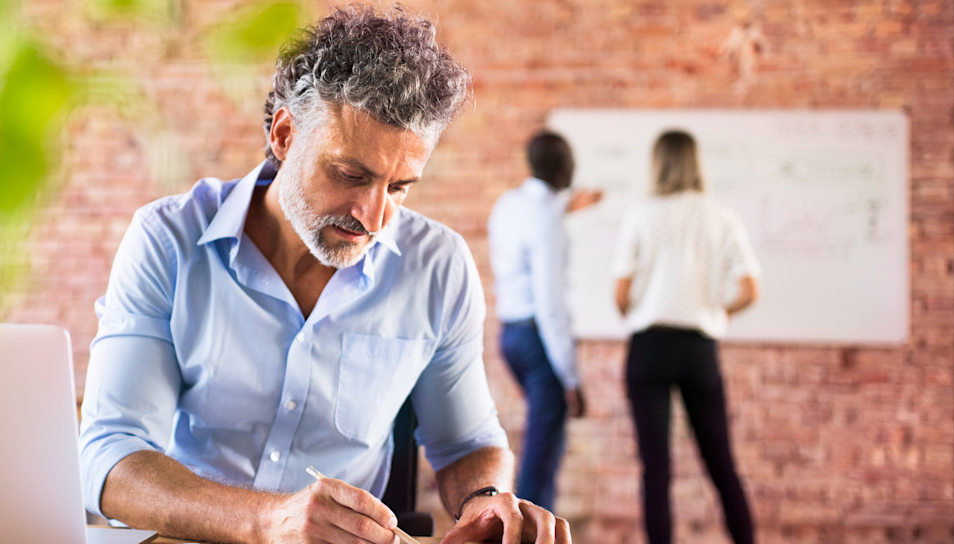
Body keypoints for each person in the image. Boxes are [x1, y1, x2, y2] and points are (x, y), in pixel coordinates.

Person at [78, 5, 572, 544]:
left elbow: (467, 443)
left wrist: (485, 502)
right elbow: (111, 455)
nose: (373, 215)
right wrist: (268, 523)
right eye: (350, 175)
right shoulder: (167, 239)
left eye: (400, 186)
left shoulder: (438, 266)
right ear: (286, 135)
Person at [611, 130, 759, 544]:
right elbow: (751, 290)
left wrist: (639, 310)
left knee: (655, 470)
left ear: (657, 163)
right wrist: (716, 311)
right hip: (699, 348)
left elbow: (620, 297)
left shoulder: (642, 214)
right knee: (721, 464)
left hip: (650, 347)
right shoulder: (722, 216)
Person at [487, 131, 601, 512]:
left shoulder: (510, 204)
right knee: (542, 458)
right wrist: (571, 379)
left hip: (511, 337)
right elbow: (550, 305)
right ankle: (528, 534)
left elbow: (538, 220)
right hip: (539, 341)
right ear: (564, 167)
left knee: (537, 444)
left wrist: (567, 206)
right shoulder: (548, 222)